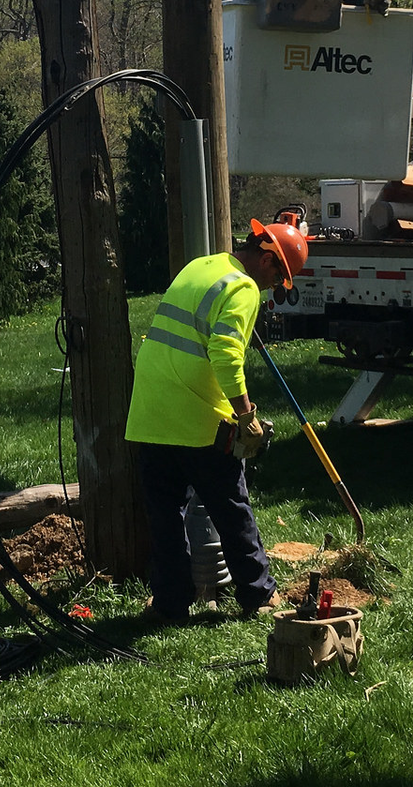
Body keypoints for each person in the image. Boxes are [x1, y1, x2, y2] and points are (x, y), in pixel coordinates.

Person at [124, 218, 309, 623]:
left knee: (165, 516)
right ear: (265, 259)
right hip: (197, 418)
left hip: (151, 412)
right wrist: (246, 415)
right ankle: (258, 595)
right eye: (279, 276)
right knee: (230, 506)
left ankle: (170, 603)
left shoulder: (201, 266)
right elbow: (225, 355)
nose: (274, 286)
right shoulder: (242, 288)